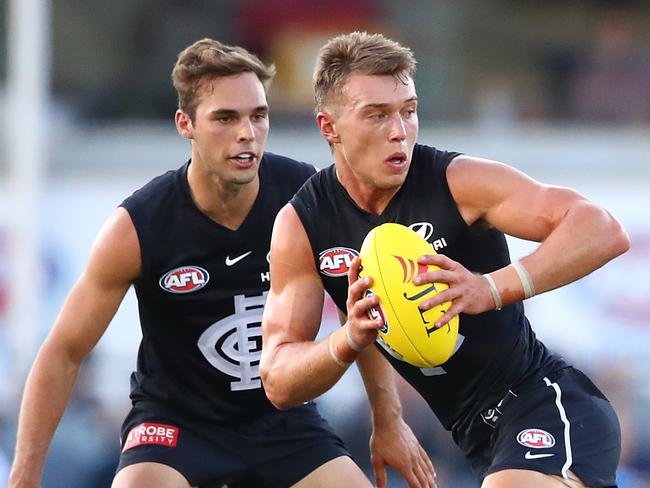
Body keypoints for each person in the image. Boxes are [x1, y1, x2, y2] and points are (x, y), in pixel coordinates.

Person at [8, 38, 435, 488]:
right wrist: (24, 477)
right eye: (226, 118)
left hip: (282, 423)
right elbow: (63, 353)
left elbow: (359, 308)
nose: (246, 133)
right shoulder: (138, 226)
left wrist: (388, 422)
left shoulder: (305, 198)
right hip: (176, 426)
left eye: (258, 116)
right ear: (185, 124)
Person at [260, 32, 631, 488]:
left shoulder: (458, 182)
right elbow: (278, 381)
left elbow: (601, 228)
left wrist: (490, 288)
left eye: (409, 111)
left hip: (548, 403)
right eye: (376, 115)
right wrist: (353, 350)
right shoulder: (304, 225)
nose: (400, 130)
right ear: (329, 127)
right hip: (477, 438)